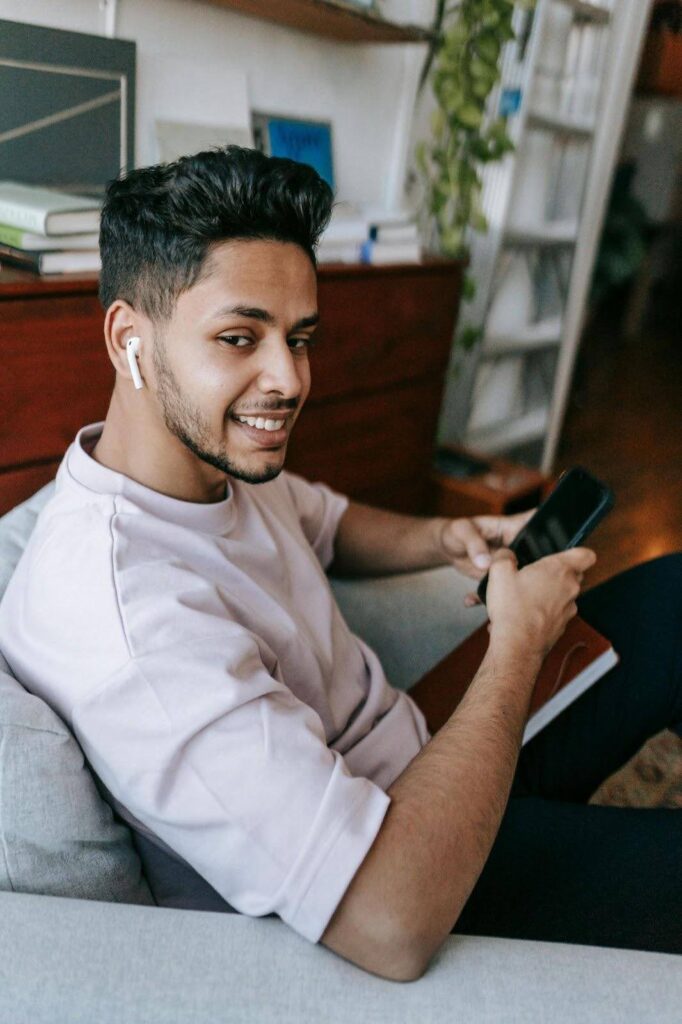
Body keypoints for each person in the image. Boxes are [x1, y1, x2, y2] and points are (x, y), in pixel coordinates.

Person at [0, 148, 679, 980]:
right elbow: (391, 922)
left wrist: (446, 536)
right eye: (240, 337)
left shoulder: (213, 456)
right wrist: (516, 647)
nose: (288, 379)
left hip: (431, 745)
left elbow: (329, 521)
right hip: (408, 863)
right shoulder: (133, 627)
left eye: (301, 338)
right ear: (127, 339)